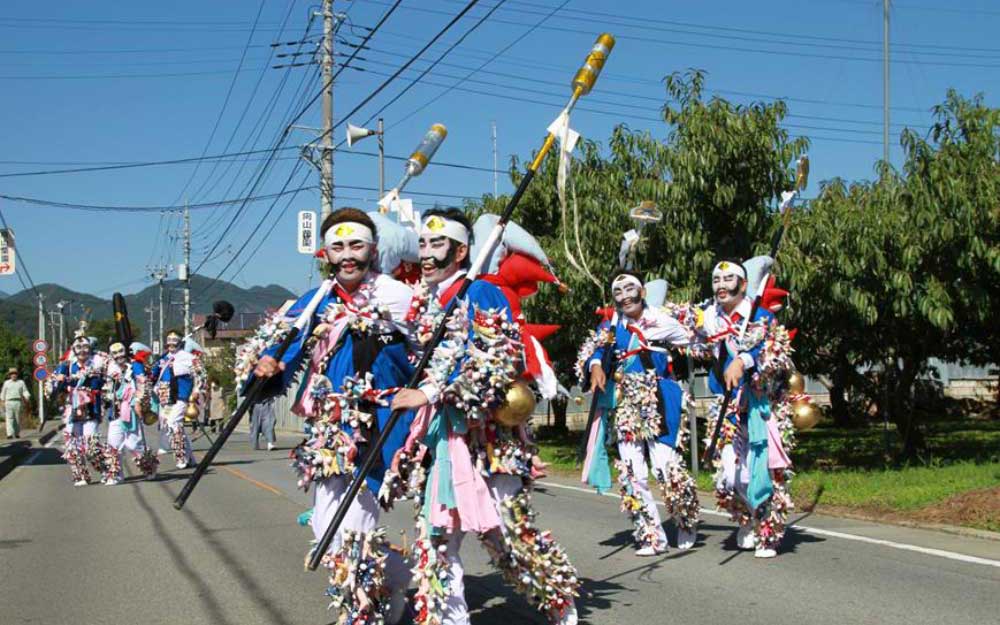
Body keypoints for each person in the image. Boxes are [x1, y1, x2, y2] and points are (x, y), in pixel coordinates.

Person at [388, 209, 579, 625]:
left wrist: (435, 390)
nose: (427, 254)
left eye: (437, 245)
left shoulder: (484, 293)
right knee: (436, 539)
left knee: (508, 534)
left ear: (461, 251)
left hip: (489, 439)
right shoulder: (422, 303)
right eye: (422, 244)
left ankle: (561, 604)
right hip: (440, 440)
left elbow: (497, 360)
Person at [246, 207, 415, 624]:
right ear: (325, 253)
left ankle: (361, 614)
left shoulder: (397, 295)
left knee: (352, 528)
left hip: (377, 425)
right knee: (326, 528)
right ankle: (398, 577)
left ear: (372, 249)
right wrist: (268, 361)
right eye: (337, 247)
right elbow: (284, 341)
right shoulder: (316, 299)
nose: (347, 255)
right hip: (327, 431)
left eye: (356, 245)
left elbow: (429, 352)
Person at [578, 271, 702, 556]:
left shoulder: (661, 320)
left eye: (630, 289)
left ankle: (685, 518)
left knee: (664, 467)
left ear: (643, 292)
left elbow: (696, 341)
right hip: (625, 405)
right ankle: (651, 535)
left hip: (658, 401)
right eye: (618, 292)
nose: (625, 297)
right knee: (632, 472)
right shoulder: (610, 325)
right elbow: (594, 351)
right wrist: (596, 364)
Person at [700, 259, 795, 559]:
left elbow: (774, 354)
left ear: (743, 285)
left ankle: (766, 530)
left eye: (728, 279)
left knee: (766, 470)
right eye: (716, 280)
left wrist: (744, 360)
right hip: (726, 408)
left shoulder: (762, 317)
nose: (721, 285)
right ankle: (748, 516)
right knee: (729, 476)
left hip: (761, 406)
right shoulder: (708, 318)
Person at [48, 328, 108, 486]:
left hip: (91, 408)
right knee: (72, 445)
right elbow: (55, 385)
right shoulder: (66, 366)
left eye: (86, 348)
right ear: (74, 350)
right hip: (72, 409)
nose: (83, 351)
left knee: (90, 444)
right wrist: (59, 381)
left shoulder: (98, 363)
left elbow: (103, 383)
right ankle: (81, 475)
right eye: (79, 348)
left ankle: (105, 469)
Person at [103, 342, 159, 484]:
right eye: (115, 353)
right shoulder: (109, 368)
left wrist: (138, 402)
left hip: (131, 410)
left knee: (134, 444)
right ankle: (115, 474)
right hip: (115, 411)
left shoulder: (135, 366)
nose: (119, 355)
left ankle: (149, 467)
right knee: (113, 444)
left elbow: (142, 384)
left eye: (121, 351)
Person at [150, 332, 198, 469]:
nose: (171, 344)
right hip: (166, 397)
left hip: (181, 396)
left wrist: (195, 391)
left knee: (173, 423)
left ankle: (181, 456)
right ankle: (191, 459)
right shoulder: (163, 358)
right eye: (168, 341)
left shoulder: (188, 357)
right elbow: (153, 375)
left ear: (179, 342)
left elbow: (200, 375)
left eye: (174, 341)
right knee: (174, 426)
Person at [2, 367, 30, 439]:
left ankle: (17, 433)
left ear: (17, 375)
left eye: (15, 374)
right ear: (10, 375)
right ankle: (9, 434)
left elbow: (25, 391)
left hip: (18, 401)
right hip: (8, 401)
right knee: (9, 418)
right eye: (12, 374)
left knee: (17, 418)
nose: (13, 375)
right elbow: (3, 393)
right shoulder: (6, 383)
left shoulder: (21, 382)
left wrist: (27, 397)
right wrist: (2, 402)